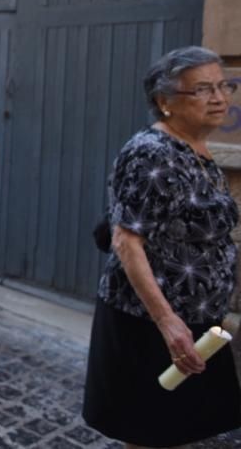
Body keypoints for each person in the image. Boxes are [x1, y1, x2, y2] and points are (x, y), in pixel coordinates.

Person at [83, 46, 241, 447]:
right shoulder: (152, 154)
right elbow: (126, 240)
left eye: (224, 85)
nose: (220, 97)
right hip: (153, 323)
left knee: (177, 428)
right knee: (148, 432)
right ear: (164, 102)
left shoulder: (197, 148)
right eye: (202, 89)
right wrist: (168, 322)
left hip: (197, 319)